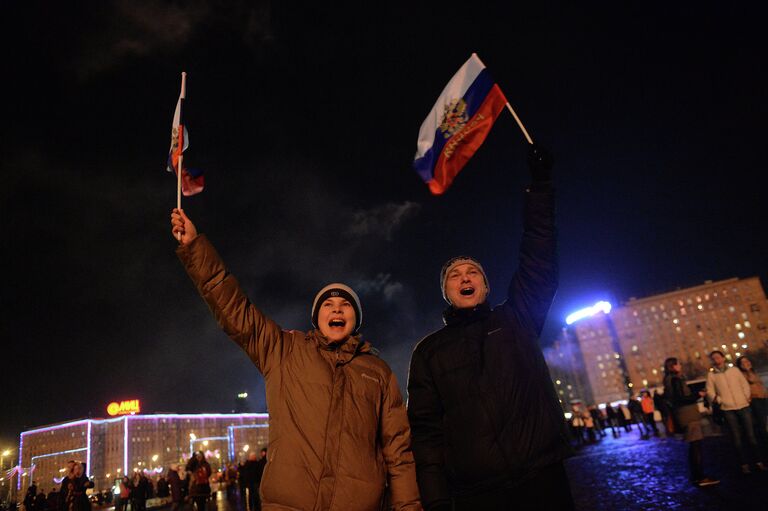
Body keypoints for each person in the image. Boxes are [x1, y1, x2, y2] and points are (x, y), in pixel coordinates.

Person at [170, 210, 421, 511]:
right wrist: (195, 246)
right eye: (328, 304)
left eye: (345, 305)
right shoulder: (285, 350)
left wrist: (408, 507)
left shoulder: (377, 372)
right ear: (317, 317)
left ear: (356, 318)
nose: (337, 310)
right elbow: (234, 308)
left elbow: (398, 450)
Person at [406, 145, 574, 511]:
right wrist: (435, 500)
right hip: (478, 495)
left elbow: (539, 259)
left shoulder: (517, 318)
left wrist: (540, 187)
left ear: (485, 286)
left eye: (473, 273)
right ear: (447, 292)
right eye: (455, 275)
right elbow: (427, 432)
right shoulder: (429, 352)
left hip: (543, 479)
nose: (465, 277)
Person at [706, 350, 766, 474]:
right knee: (736, 437)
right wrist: (719, 400)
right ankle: (744, 464)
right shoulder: (712, 375)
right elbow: (710, 391)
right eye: (714, 358)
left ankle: (759, 461)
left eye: (718, 357)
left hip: (743, 405)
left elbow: (744, 384)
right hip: (728, 409)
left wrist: (745, 396)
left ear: (723, 358)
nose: (716, 360)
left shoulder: (734, 370)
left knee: (751, 435)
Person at [663, 357, 719, 487]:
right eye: (678, 364)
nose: (680, 365)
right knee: (695, 446)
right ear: (673, 366)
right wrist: (698, 395)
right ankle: (699, 477)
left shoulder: (669, 380)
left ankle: (697, 476)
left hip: (684, 416)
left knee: (694, 446)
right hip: (687, 416)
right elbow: (680, 399)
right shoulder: (675, 379)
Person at [736, 355, 768, 457]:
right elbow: (751, 381)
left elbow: (761, 385)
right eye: (743, 362)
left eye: (747, 361)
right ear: (740, 365)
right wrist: (748, 370)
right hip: (755, 400)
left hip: (763, 398)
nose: (747, 363)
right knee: (762, 423)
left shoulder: (753, 372)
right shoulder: (743, 375)